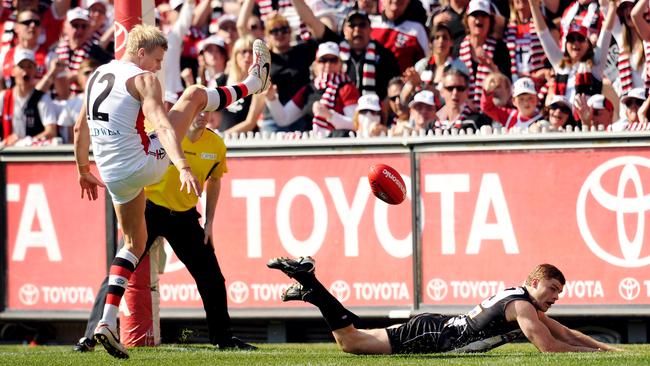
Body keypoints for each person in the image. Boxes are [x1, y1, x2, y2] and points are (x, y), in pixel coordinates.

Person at [73, 24, 270, 359]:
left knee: (133, 245)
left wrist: (82, 171)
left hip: (111, 174)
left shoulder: (97, 74)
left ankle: (105, 322)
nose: (159, 67)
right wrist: (181, 166)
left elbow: (80, 127)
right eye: (157, 59)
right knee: (193, 94)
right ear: (140, 53)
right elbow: (163, 125)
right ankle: (253, 84)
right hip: (144, 166)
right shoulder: (143, 79)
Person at [73, 111, 256, 354]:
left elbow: (215, 179)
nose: (201, 115)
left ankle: (224, 338)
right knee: (118, 273)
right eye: (197, 109)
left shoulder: (216, 143)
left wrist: (209, 221)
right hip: (148, 210)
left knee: (211, 277)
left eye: (206, 109)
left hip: (184, 214)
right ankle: (90, 337)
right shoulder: (166, 133)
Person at [267, 257, 623, 354]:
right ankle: (311, 282)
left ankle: (312, 292)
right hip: (434, 336)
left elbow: (565, 332)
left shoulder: (523, 300)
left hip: (436, 327)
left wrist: (604, 348)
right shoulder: (524, 306)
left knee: (353, 337)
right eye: (552, 288)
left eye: (559, 292)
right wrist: (590, 355)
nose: (555, 296)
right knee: (350, 342)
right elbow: (549, 346)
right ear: (534, 283)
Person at [291, 0, 400, 100]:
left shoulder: (384, 55)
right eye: (352, 25)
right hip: (338, 110)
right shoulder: (335, 47)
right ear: (344, 30)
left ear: (370, 29)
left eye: (362, 25)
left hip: (371, 113)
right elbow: (311, 21)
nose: (357, 29)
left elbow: (392, 90)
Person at [264, 42, 360, 136]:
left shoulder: (347, 88)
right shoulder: (309, 89)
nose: (328, 64)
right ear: (315, 65)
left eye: (333, 60)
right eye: (322, 60)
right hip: (311, 143)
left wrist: (330, 116)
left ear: (340, 64)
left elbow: (356, 124)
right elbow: (284, 119)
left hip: (338, 144)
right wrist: (272, 99)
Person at [0, 49, 58, 146]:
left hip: (32, 154)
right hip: (8, 153)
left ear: (35, 70)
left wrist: (27, 141)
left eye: (29, 67)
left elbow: (51, 131)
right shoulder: (4, 97)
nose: (25, 71)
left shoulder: (42, 98)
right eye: (21, 67)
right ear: (13, 70)